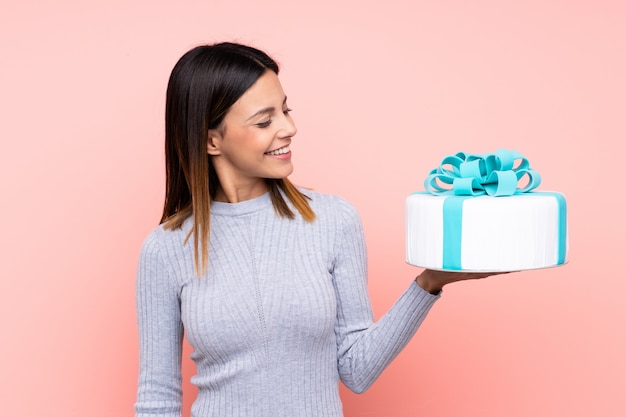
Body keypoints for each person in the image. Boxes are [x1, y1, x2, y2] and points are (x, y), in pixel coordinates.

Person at [135, 41, 502, 417]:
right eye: (265, 121)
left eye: (285, 110)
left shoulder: (333, 220)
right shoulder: (165, 249)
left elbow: (356, 370)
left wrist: (428, 284)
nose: (289, 128)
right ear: (212, 140)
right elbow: (158, 396)